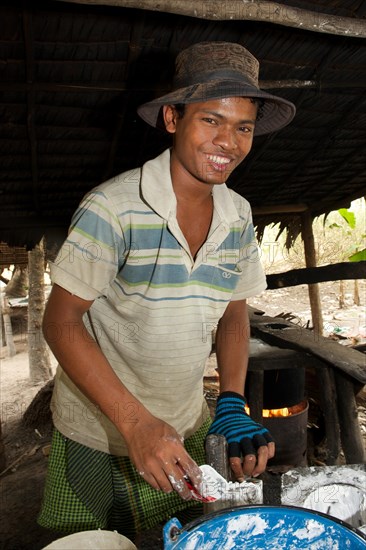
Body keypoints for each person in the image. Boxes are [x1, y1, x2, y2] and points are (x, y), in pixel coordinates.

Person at [38, 41, 296, 540]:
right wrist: (134, 424)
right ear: (173, 120)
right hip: (98, 428)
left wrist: (232, 403)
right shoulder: (112, 208)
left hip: (182, 416)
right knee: (92, 539)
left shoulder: (238, 215)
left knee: (178, 533)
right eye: (211, 121)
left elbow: (234, 314)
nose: (229, 142)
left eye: (243, 127)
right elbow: (60, 322)